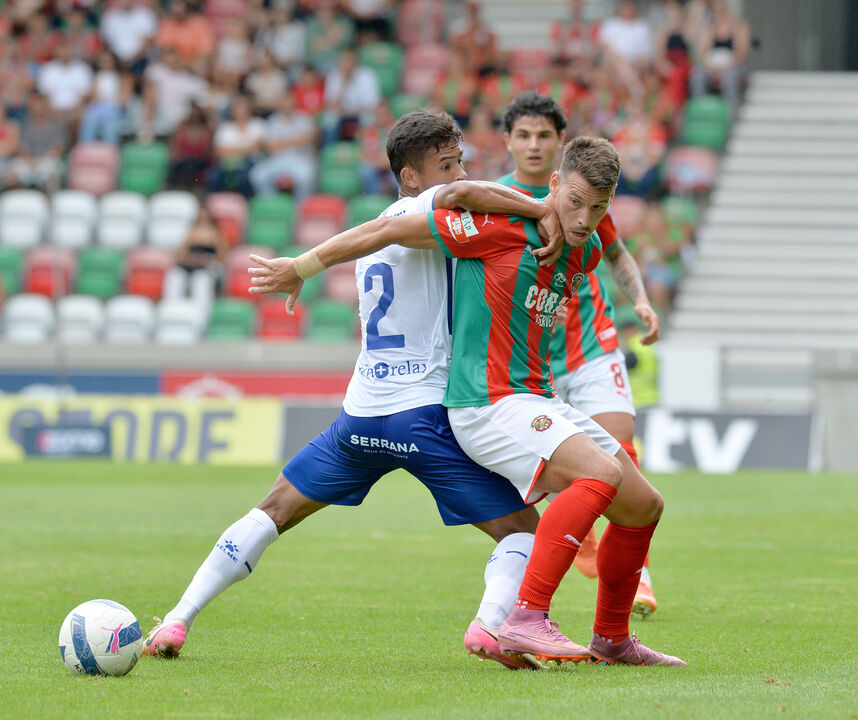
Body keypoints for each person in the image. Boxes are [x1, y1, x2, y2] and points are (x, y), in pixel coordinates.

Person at [144, 111, 566, 671]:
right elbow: (467, 194)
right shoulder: (429, 210)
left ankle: (178, 617)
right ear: (410, 177)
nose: (459, 173)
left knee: (273, 510)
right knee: (523, 531)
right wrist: (543, 207)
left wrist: (305, 265)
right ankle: (491, 624)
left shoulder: (372, 235)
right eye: (445, 164)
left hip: (361, 418)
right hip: (424, 416)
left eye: (459, 159)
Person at [259, 136, 685, 667]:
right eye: (574, 201)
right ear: (553, 184)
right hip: (485, 402)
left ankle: (612, 640)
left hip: (534, 397)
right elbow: (392, 228)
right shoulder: (496, 225)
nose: (583, 218)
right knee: (599, 475)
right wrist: (303, 266)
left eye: (597, 208)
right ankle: (527, 618)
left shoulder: (589, 248)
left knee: (644, 506)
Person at [497, 91, 661, 617]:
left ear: (560, 143)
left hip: (591, 346)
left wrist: (638, 298)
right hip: (529, 362)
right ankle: (581, 548)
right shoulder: (494, 199)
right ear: (508, 142)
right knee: (564, 471)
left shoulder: (586, 196)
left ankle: (636, 576)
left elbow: (616, 253)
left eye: (545, 135)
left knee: (623, 451)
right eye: (524, 135)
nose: (534, 144)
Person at [162, 206, 226, 311]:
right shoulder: (191, 232)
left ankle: (201, 309)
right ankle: (171, 307)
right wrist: (191, 259)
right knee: (175, 274)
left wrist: (206, 260)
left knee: (200, 279)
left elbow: (222, 256)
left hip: (207, 266)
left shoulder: (216, 234)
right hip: (191, 264)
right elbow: (182, 253)